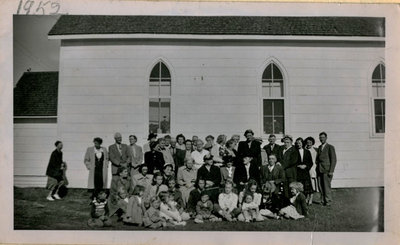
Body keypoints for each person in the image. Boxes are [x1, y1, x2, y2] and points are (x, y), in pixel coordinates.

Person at [316, 132, 337, 206]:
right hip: (319, 169)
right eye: (320, 137)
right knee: (320, 186)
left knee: (326, 186)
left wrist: (331, 170)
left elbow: (333, 159)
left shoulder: (330, 147)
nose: (322, 139)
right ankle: (322, 200)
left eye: (323, 137)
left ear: (326, 138)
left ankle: (328, 201)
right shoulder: (319, 147)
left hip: (327, 170)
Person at [295, 137, 313, 204]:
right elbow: (293, 162)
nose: (298, 144)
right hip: (298, 171)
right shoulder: (295, 151)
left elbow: (310, 162)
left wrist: (306, 166)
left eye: (300, 143)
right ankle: (302, 199)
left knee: (307, 186)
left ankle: (309, 198)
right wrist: (298, 166)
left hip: (305, 171)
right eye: (297, 143)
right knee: (300, 186)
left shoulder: (307, 152)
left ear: (302, 143)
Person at [305, 136, 319, 205]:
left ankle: (311, 198)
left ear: (312, 143)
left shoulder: (315, 151)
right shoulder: (304, 149)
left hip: (312, 168)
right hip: (306, 169)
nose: (309, 144)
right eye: (307, 142)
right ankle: (306, 198)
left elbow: (316, 160)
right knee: (307, 184)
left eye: (310, 142)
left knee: (312, 184)